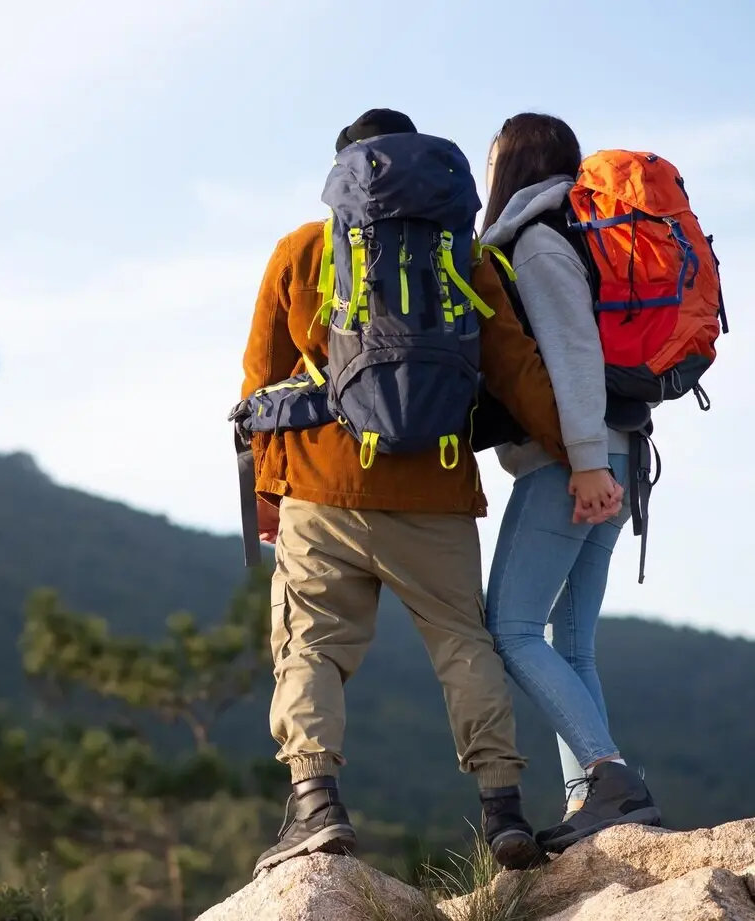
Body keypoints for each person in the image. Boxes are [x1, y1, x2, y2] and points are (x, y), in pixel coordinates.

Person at [239, 108, 619, 877]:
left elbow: (261, 384)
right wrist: (581, 458)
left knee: (311, 645)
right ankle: (503, 811)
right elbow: (516, 367)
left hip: (321, 487)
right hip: (436, 489)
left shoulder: (301, 250)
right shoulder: (462, 253)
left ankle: (316, 804)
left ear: (343, 175)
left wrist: (269, 497)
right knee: (462, 644)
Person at [477, 112, 662, 853]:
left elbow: (575, 352)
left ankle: (608, 775)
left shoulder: (538, 238)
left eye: (491, 156)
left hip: (579, 462)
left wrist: (584, 461)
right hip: (621, 454)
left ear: (511, 163)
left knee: (511, 628)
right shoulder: (582, 232)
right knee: (571, 639)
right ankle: (595, 800)